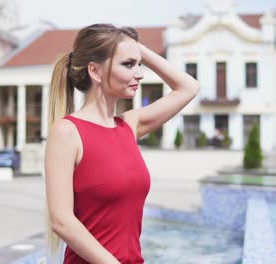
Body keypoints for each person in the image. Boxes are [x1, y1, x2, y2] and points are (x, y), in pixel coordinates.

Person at [45, 24, 199, 264]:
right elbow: (61, 221)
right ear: (95, 71)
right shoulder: (67, 132)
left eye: (140, 64)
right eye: (128, 64)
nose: (140, 73)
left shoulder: (129, 125)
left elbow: (189, 87)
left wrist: (135, 48)